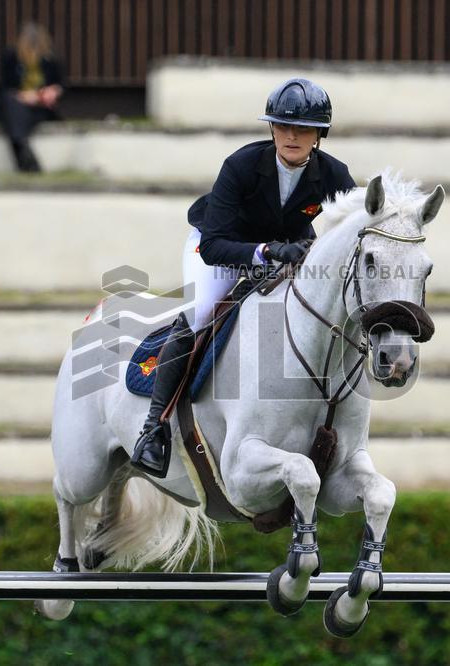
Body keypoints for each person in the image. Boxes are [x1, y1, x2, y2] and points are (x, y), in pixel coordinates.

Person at [129, 78, 357, 478]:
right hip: (220, 250)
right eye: (283, 126)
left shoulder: (336, 175)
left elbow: (354, 231)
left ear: (318, 135)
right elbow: (216, 244)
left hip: (284, 259)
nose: (291, 135)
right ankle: (154, 429)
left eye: (302, 128)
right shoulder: (241, 165)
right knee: (200, 314)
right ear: (271, 129)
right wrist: (266, 251)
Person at [0, 23, 63, 172]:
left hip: (40, 108)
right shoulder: (10, 57)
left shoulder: (50, 59)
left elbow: (61, 85)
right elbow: (4, 87)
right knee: (12, 105)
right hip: (16, 105)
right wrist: (23, 96)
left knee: (14, 118)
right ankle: (26, 153)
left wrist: (53, 91)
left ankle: (23, 151)